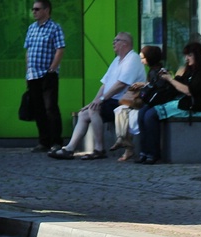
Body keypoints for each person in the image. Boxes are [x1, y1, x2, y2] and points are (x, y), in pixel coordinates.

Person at [50, 31, 146, 160]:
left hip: (126, 101)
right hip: (113, 100)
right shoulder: (117, 60)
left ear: (125, 44)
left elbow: (121, 85)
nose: (113, 43)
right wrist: (95, 100)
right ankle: (70, 148)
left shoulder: (132, 59)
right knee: (84, 113)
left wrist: (100, 100)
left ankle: (99, 149)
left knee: (94, 110)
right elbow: (104, 84)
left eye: (116, 40)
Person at [136, 42, 201, 164]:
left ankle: (153, 153)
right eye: (186, 55)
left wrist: (170, 79)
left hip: (193, 105)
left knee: (150, 115)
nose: (186, 58)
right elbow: (178, 83)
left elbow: (188, 91)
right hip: (182, 102)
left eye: (189, 55)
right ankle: (144, 151)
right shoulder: (190, 71)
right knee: (142, 112)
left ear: (197, 56)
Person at [24, 0, 66, 152]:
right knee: (38, 109)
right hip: (33, 75)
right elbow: (28, 50)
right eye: (33, 9)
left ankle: (56, 142)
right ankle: (44, 141)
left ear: (46, 10)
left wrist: (52, 69)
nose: (34, 12)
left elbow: (60, 49)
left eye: (37, 9)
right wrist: (27, 72)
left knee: (50, 108)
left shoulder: (55, 28)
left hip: (47, 75)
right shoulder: (31, 28)